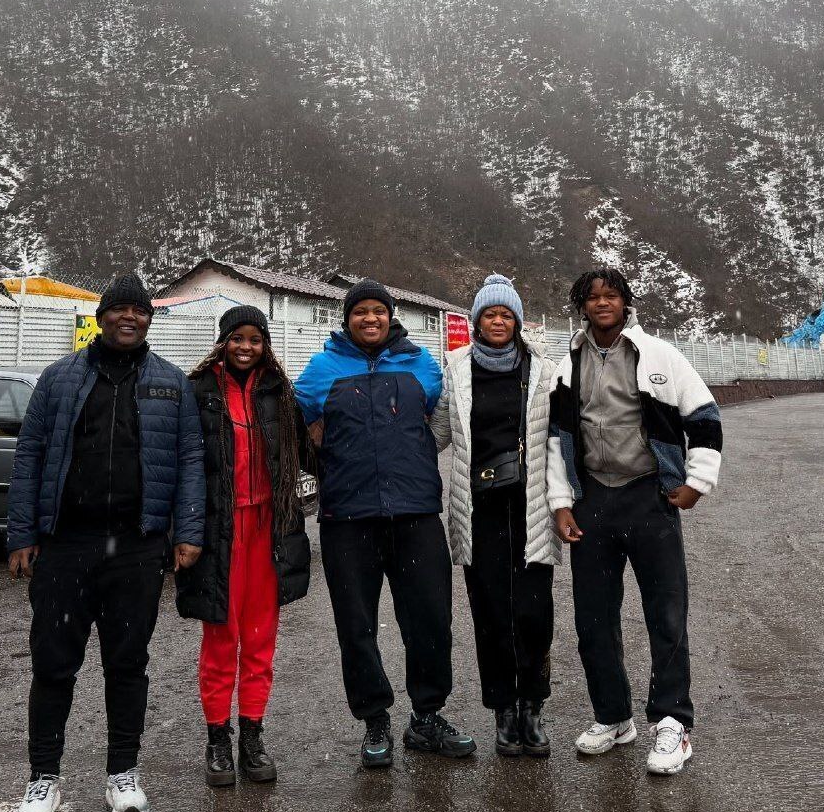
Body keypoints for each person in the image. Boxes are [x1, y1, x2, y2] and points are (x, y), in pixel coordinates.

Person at [6, 273, 205, 812]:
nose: (129, 318)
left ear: (148, 320)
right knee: (53, 665)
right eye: (118, 309)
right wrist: (23, 532)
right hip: (66, 544)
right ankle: (42, 780)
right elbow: (30, 455)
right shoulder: (60, 379)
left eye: (139, 311)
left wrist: (187, 530)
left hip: (138, 549)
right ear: (101, 317)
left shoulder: (171, 384)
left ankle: (124, 776)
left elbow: (190, 459)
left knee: (127, 664)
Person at [294, 278, 475, 768]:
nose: (369, 319)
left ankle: (426, 716)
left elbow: (437, 424)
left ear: (391, 316)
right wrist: (330, 466)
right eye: (360, 312)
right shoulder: (322, 367)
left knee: (430, 619)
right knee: (357, 625)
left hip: (416, 513)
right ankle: (375, 719)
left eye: (378, 311)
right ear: (347, 318)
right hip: (347, 520)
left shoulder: (421, 364)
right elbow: (297, 428)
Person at [548, 267, 722, 775]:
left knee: (665, 616)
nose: (603, 303)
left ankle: (672, 722)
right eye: (593, 297)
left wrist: (696, 482)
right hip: (593, 503)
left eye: (612, 295)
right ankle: (612, 716)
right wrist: (562, 502)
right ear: (581, 306)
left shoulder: (660, 355)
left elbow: (704, 415)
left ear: (626, 302)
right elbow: (555, 440)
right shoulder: (568, 364)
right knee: (593, 620)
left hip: (651, 498)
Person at [431, 274, 569, 758]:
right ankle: (503, 711)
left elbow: (561, 437)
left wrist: (566, 498)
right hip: (479, 510)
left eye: (505, 314)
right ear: (475, 321)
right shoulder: (456, 368)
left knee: (533, 613)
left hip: (529, 508)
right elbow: (436, 433)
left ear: (516, 321)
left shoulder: (543, 371)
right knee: (490, 614)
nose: (497, 321)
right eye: (488, 313)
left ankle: (533, 706)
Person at [175, 305, 312, 787]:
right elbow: (184, 464)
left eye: (255, 339)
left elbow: (306, 450)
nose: (246, 347)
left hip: (268, 529)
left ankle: (252, 736)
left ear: (265, 343)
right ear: (223, 342)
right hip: (220, 531)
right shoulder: (198, 392)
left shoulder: (280, 391)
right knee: (220, 637)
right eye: (237, 338)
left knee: (260, 639)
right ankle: (217, 739)